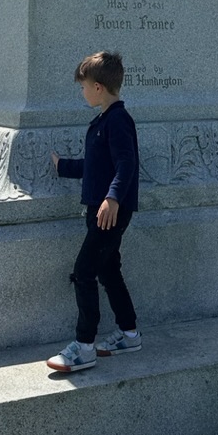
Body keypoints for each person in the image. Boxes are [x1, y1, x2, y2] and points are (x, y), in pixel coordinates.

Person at [46, 51, 141, 373]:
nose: (82, 92)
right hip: (100, 209)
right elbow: (97, 165)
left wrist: (112, 198)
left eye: (84, 86)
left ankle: (84, 347)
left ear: (98, 87)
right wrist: (64, 166)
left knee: (84, 272)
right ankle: (129, 334)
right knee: (109, 272)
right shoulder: (103, 121)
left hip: (109, 212)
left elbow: (127, 163)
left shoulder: (118, 119)